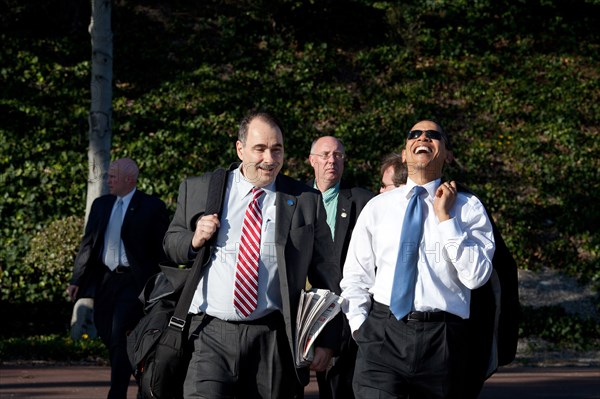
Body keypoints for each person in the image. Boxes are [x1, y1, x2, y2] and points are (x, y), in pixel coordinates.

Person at [163, 111, 343, 399]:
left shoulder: (305, 200)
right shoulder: (202, 189)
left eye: (277, 149)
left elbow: (326, 273)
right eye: (259, 149)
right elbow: (171, 243)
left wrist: (327, 338)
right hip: (209, 335)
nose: (269, 159)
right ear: (240, 148)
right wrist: (194, 238)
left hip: (272, 339)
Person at [340, 120, 496, 399]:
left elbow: (476, 276)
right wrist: (359, 328)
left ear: (447, 154)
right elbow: (355, 275)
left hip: (443, 341)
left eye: (434, 135)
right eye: (415, 134)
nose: (423, 137)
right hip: (382, 334)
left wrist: (446, 219)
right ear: (404, 154)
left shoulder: (469, 208)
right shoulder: (378, 207)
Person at [67, 157, 170, 399]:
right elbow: (88, 244)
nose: (108, 180)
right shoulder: (101, 205)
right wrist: (76, 279)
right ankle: (145, 382)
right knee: (107, 332)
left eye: (113, 176)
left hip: (133, 283)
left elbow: (164, 247)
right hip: (105, 280)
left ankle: (117, 392)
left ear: (129, 180)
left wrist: (163, 284)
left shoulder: (151, 206)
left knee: (118, 334)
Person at [307, 136, 374, 399]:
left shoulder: (363, 201)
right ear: (312, 160)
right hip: (313, 313)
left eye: (337, 155)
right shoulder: (295, 200)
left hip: (356, 315)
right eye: (324, 155)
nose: (331, 160)